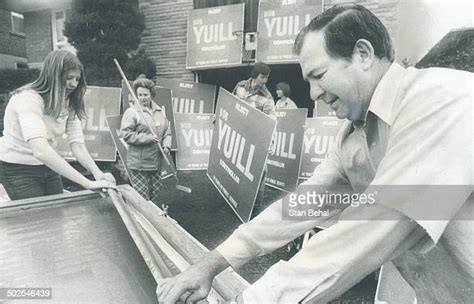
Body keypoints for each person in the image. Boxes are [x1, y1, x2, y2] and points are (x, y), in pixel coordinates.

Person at [156, 4, 473, 304]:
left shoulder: (439, 99)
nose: (313, 93)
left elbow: (376, 222)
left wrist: (254, 299)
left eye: (319, 75)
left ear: (363, 54)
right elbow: (299, 206)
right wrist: (210, 265)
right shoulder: (352, 136)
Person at [0, 50, 116, 200]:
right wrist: (87, 183)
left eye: (77, 79)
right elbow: (40, 150)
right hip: (18, 167)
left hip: (48, 165)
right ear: (53, 76)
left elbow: (77, 145)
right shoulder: (28, 99)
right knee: (36, 217)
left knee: (57, 211)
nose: (74, 84)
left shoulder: (68, 101)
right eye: (69, 78)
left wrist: (98, 173)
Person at [232, 62, 276, 214]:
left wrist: (271, 142)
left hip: (257, 137)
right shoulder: (240, 86)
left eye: (267, 78)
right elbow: (231, 104)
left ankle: (256, 207)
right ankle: (238, 199)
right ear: (254, 76)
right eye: (262, 77)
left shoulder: (268, 97)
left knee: (261, 170)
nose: (265, 81)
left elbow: (272, 121)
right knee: (237, 166)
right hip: (238, 134)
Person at [120, 77, 172, 204]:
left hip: (156, 162)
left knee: (155, 196)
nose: (142, 98)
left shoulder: (160, 112)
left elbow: (167, 132)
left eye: (146, 94)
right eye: (139, 95)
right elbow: (125, 134)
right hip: (139, 163)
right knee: (142, 198)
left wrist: (167, 146)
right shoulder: (132, 112)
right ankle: (140, 221)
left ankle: (153, 221)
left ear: (152, 95)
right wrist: (148, 138)